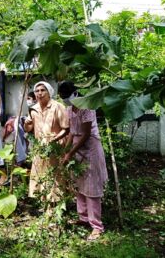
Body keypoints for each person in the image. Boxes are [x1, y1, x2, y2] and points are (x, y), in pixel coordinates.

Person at [59, 81, 108, 241]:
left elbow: (86, 134)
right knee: (79, 184)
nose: (65, 99)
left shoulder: (86, 106)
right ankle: (83, 218)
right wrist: (65, 152)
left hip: (91, 147)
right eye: (62, 97)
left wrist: (70, 153)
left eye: (67, 96)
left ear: (75, 93)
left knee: (91, 186)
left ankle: (96, 226)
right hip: (76, 147)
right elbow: (72, 133)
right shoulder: (69, 109)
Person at [23, 81, 69, 201]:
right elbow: (28, 129)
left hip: (55, 146)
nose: (39, 93)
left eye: (43, 90)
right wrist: (26, 124)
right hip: (40, 147)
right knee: (40, 174)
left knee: (54, 175)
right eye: (37, 91)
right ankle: (44, 203)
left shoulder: (58, 106)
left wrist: (55, 139)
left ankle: (54, 204)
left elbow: (66, 128)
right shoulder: (33, 109)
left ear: (49, 92)